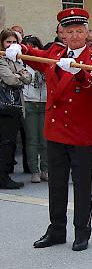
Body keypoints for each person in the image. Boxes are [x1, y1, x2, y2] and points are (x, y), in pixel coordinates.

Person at [5, 8, 92, 251]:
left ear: (86, 32)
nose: (74, 36)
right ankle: (57, 229)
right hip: (56, 130)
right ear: (62, 33)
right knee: (57, 183)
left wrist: (79, 72)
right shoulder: (55, 53)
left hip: (81, 132)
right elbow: (37, 56)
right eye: (69, 31)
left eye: (79, 31)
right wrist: (21, 50)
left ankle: (82, 231)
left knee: (82, 186)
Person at [0, 29, 32, 188]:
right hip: (4, 107)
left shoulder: (17, 59)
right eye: (8, 42)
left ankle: (4, 175)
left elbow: (28, 77)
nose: (11, 45)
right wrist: (20, 77)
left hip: (16, 106)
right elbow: (11, 79)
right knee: (5, 143)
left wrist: (19, 76)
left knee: (10, 142)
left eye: (14, 42)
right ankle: (3, 177)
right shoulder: (1, 59)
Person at [21, 35, 48, 183]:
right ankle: (34, 171)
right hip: (29, 102)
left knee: (45, 140)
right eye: (28, 46)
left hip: (44, 102)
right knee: (32, 139)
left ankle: (45, 169)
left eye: (35, 46)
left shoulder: (45, 63)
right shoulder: (22, 64)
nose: (32, 49)